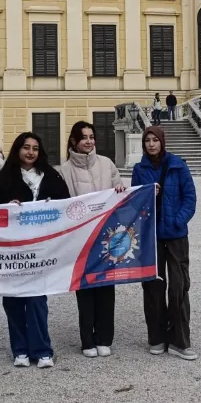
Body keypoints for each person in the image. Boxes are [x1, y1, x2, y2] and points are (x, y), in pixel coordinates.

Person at [0, 132, 70, 369]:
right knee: (12, 300)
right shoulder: (3, 180)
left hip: (41, 249)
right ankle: (20, 349)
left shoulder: (52, 176)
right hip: (11, 250)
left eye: (35, 148)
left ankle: (42, 349)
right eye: (26, 147)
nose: (30, 152)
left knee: (36, 300)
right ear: (17, 150)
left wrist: (51, 206)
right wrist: (6, 208)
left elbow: (67, 206)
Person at [58, 121, 126, 358]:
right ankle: (87, 339)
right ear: (74, 141)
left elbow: (119, 186)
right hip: (81, 238)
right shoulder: (64, 170)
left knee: (107, 288)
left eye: (91, 136)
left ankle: (104, 337)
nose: (89, 141)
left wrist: (120, 188)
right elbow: (61, 203)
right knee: (85, 289)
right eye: (84, 137)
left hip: (108, 237)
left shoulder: (106, 164)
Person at [131, 126, 198, 361]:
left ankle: (180, 341)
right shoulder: (139, 170)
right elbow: (134, 202)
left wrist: (178, 221)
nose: (151, 144)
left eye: (155, 140)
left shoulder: (179, 165)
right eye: (147, 140)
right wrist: (146, 193)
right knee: (153, 288)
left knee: (179, 286)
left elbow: (190, 198)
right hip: (151, 237)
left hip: (176, 234)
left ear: (162, 142)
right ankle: (157, 337)